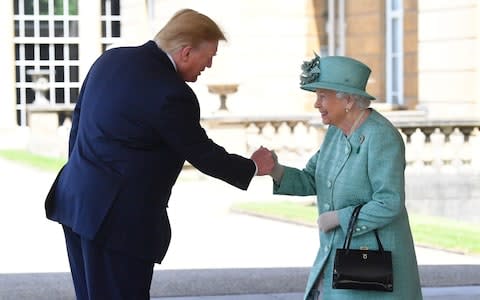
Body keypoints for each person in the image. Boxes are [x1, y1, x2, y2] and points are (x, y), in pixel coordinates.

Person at [44, 8, 274, 299]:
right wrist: (253, 166)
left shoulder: (110, 59)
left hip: (76, 202)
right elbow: (202, 153)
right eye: (210, 55)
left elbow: (78, 127)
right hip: (118, 223)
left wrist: (85, 177)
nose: (211, 65)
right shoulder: (172, 93)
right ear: (187, 52)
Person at [261, 54, 423, 299]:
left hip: (373, 263)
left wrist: (339, 218)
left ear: (347, 99)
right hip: (340, 258)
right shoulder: (335, 134)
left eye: (322, 96)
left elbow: (389, 202)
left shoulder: (381, 137)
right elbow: (311, 178)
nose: (316, 104)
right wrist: (275, 169)